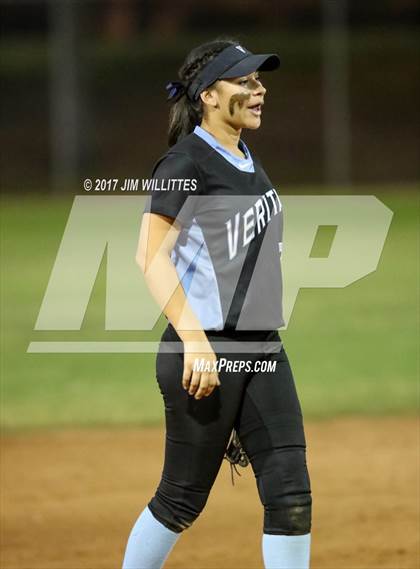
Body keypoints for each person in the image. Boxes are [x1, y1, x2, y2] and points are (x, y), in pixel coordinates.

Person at [123, 38, 312, 569]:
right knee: (180, 499)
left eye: (259, 81)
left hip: (262, 348)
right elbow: (149, 255)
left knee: (291, 495)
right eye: (246, 82)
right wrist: (194, 340)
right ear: (208, 95)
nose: (260, 89)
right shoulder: (187, 161)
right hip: (204, 352)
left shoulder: (243, 156)